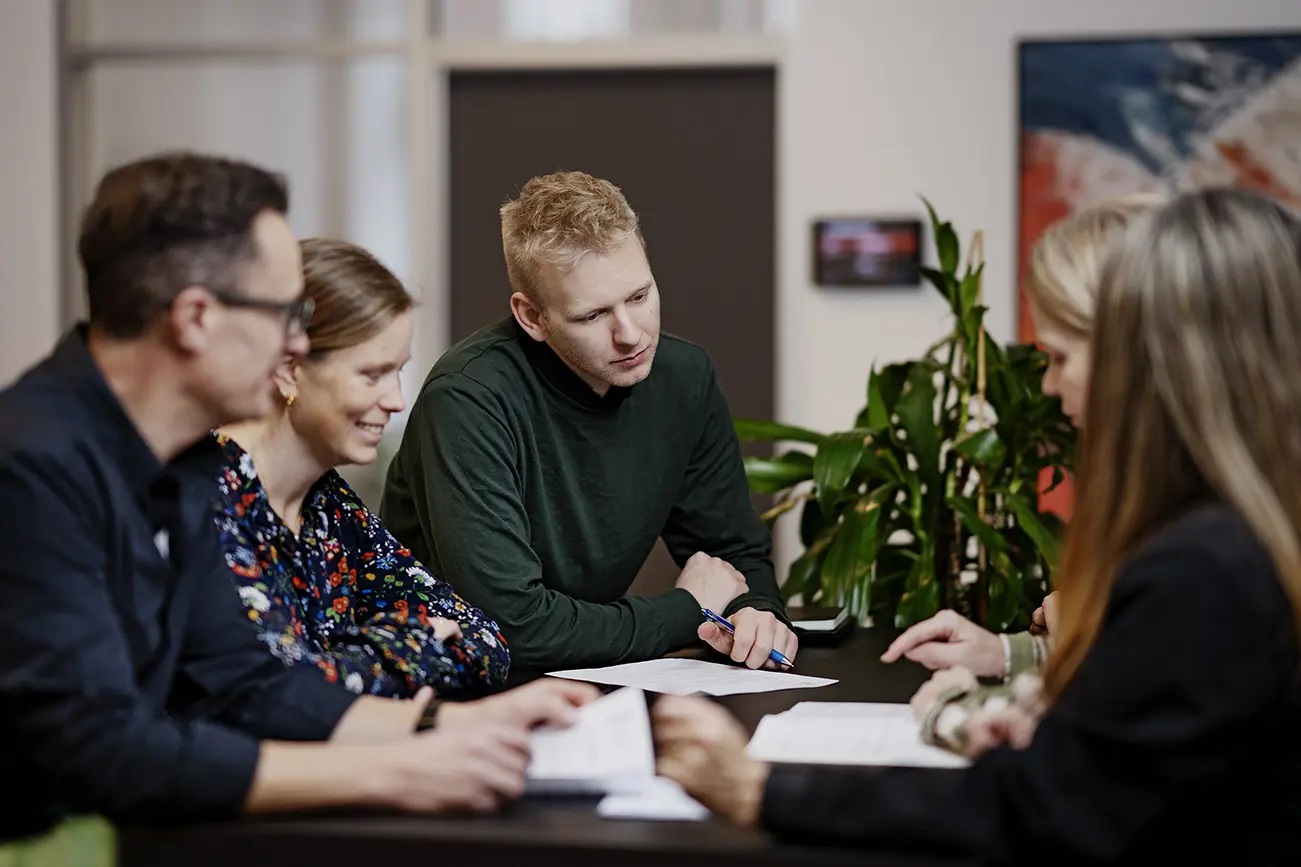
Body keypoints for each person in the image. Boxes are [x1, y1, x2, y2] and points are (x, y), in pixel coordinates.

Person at [653, 187, 1301, 864]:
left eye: (1060, 356)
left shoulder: (1204, 569)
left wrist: (760, 789)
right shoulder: (1242, 538)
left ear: (1148, 362)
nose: (1048, 387)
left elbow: (1052, 811)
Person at [0, 152, 595, 845]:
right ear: (196, 317)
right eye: (286, 313)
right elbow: (103, 750)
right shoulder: (33, 465)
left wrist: (453, 724)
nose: (295, 344)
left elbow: (244, 681)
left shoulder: (180, 460)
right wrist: (402, 769)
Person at [381, 170, 795, 670]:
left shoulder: (685, 377)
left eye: (640, 297)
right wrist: (688, 611)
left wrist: (756, 610)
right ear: (531, 316)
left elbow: (732, 551)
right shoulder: (469, 398)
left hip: (583, 679)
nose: (631, 334)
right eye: (593, 316)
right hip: (447, 685)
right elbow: (511, 627)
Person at [879, 195, 1162, 753]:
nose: (1049, 387)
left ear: (1126, 354)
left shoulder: (1202, 548)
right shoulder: (1169, 503)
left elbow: (1098, 766)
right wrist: (1008, 654)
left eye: (1059, 358)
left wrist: (953, 711)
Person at [214, 237, 509, 698]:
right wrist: (409, 642)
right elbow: (285, 694)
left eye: (397, 372)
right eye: (372, 375)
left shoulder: (329, 506)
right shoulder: (205, 501)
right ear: (290, 368)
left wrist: (359, 658)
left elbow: (485, 643)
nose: (396, 400)